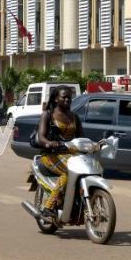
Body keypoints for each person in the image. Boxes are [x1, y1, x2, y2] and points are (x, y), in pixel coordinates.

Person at [37, 86, 84, 219]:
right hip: (51, 155)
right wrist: (49, 143)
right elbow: (41, 137)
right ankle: (49, 206)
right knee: (68, 173)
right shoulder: (48, 115)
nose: (67, 99)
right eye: (64, 97)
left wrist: (94, 145)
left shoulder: (75, 117)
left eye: (69, 97)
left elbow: (82, 138)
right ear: (56, 99)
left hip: (71, 155)